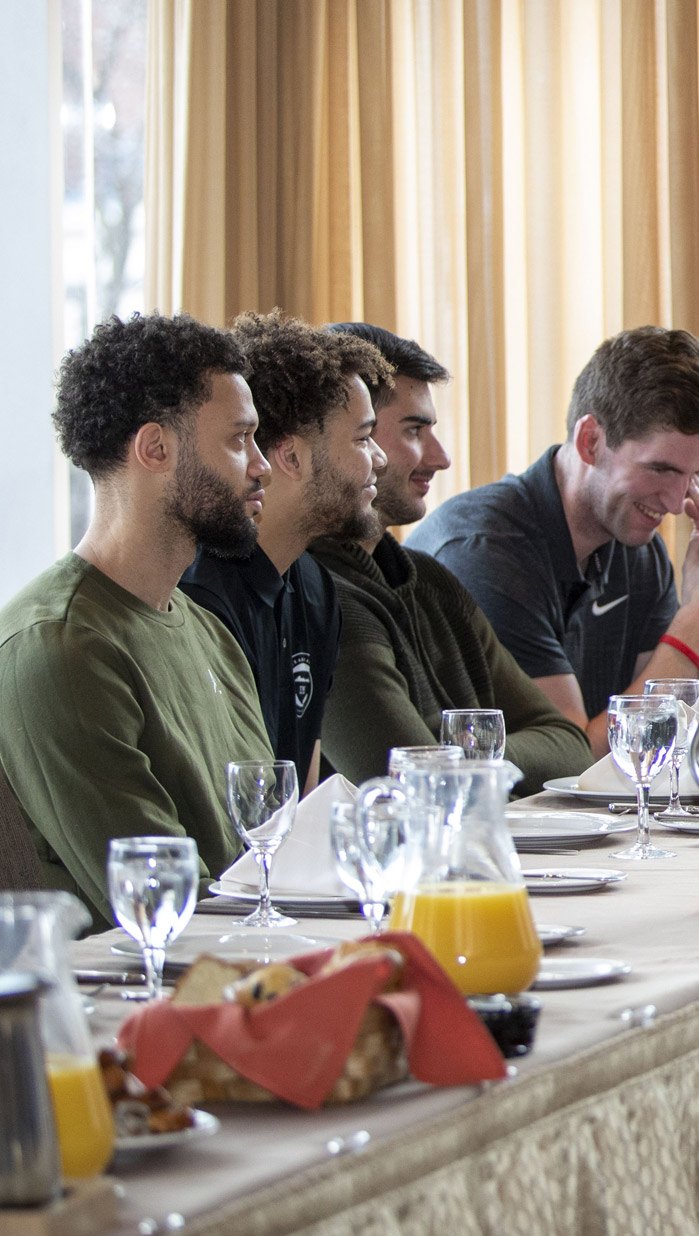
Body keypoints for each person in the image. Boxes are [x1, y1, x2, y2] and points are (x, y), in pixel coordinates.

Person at [0, 316, 275, 922]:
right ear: (155, 449)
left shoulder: (210, 633)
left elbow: (265, 854)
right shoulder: (59, 646)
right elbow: (160, 907)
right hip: (137, 1003)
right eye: (239, 440)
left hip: (252, 969)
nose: (262, 466)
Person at [408, 328, 699, 748]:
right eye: (661, 469)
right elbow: (572, 759)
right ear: (590, 441)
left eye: (698, 475)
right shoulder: (486, 552)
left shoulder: (638, 549)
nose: (675, 503)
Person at [311, 325, 591, 791]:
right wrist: (478, 761)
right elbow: (414, 784)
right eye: (415, 430)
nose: (441, 458)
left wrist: (460, 759)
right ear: (354, 437)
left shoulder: (432, 582)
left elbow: (570, 745)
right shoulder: (321, 598)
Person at [177, 314, 388, 782]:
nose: (380, 458)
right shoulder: (199, 595)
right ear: (291, 456)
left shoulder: (315, 587)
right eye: (363, 438)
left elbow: (304, 797)